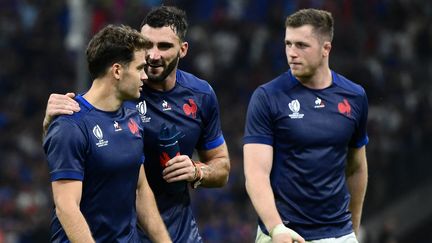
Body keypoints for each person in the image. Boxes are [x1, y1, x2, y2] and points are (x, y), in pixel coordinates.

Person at [42, 6, 230, 243]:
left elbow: (221, 167)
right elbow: (69, 146)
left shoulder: (200, 95)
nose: (152, 56)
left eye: (163, 46)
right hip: (113, 231)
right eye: (147, 45)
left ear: (183, 50)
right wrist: (50, 123)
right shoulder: (113, 99)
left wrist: (197, 171)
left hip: (174, 227)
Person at [243, 9, 368, 243]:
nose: (292, 53)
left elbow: (357, 168)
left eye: (301, 45)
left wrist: (353, 229)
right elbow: (256, 174)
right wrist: (276, 228)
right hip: (284, 232)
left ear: (326, 49)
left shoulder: (354, 96)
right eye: (288, 44)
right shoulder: (267, 97)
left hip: (339, 233)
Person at [43, 24, 171, 242]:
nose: (145, 77)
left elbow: (140, 189)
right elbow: (66, 207)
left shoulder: (133, 117)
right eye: (139, 68)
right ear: (117, 71)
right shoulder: (70, 125)